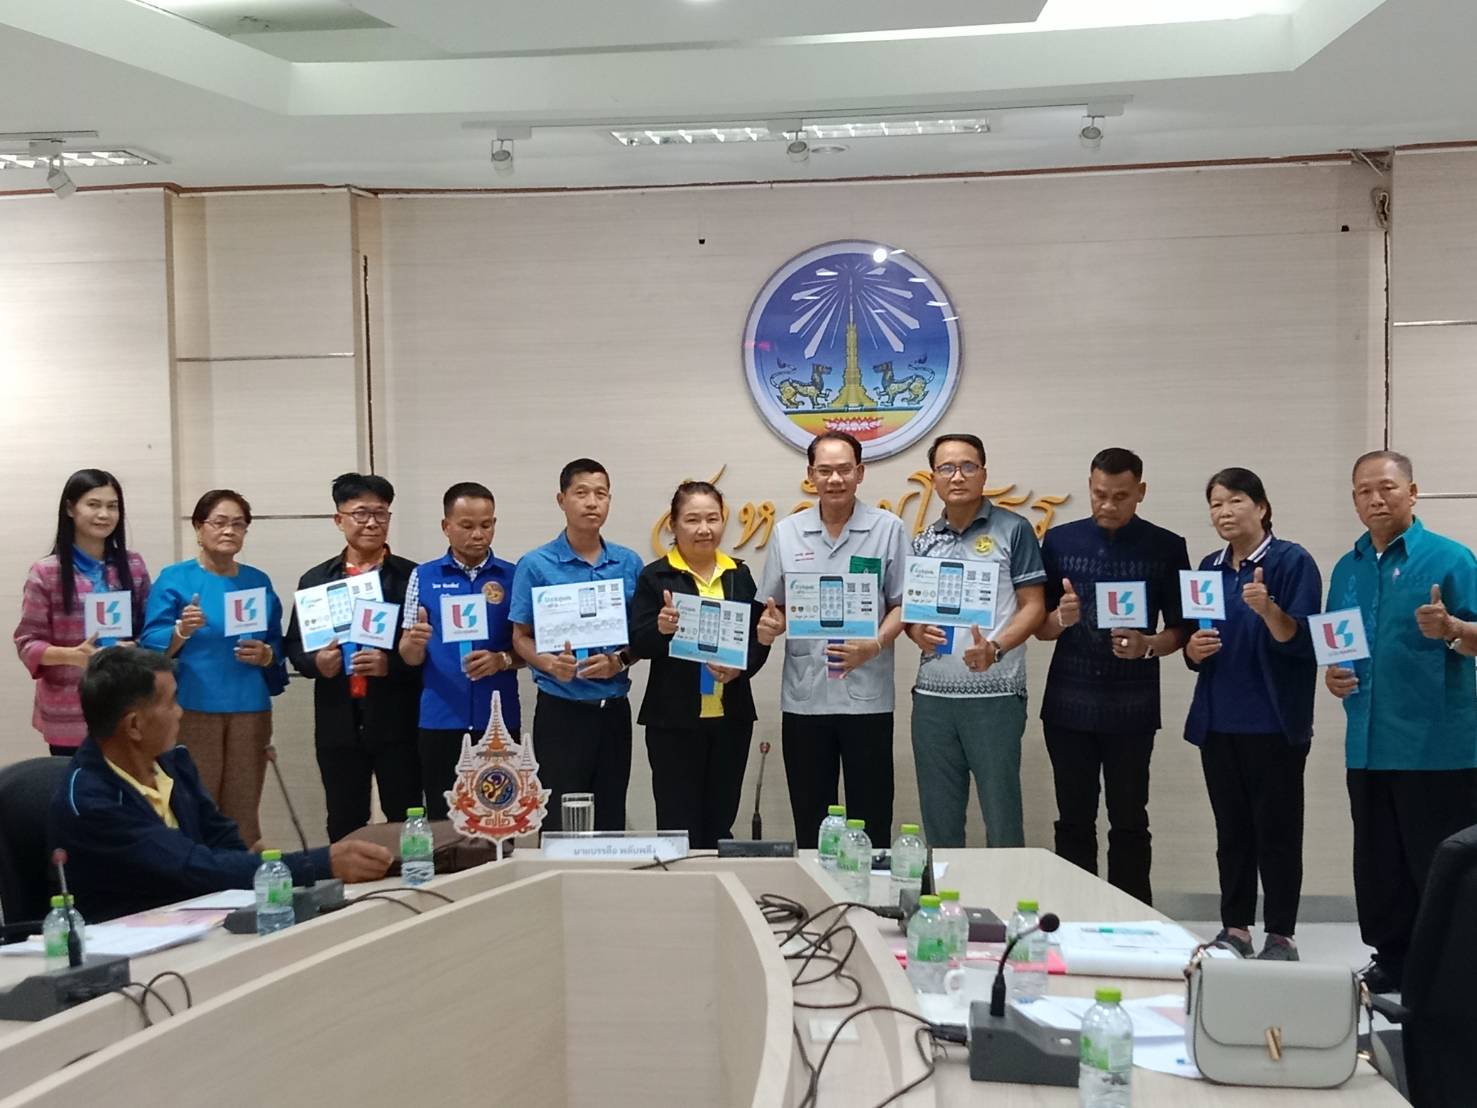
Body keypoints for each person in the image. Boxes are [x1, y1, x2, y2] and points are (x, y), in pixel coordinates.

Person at [50, 648, 391, 921]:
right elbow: (189, 867)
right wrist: (319, 864)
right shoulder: (90, 800)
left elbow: (222, 840)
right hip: (130, 944)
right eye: (171, 702)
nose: (180, 712)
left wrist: (258, 863)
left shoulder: (173, 763)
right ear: (135, 726)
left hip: (196, 920)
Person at [1325, 450, 1477, 992]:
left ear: (1412, 493)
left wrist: (1453, 628)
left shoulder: (1451, 558)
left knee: (1438, 867)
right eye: (1364, 490)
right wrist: (1334, 677)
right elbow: (1337, 649)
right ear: (1354, 500)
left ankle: (1449, 976)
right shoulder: (1346, 568)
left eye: (1387, 488)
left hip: (1437, 746)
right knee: (1379, 866)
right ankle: (1393, 960)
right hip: (1367, 743)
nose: (1376, 499)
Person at [1034, 448, 1190, 904]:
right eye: (1099, 494)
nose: (1108, 505)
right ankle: (1072, 913)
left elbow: (1182, 628)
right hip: (1068, 704)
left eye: (1120, 496)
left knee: (1129, 821)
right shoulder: (1059, 541)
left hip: (1132, 707)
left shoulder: (1167, 546)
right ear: (1089, 486)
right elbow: (1040, 627)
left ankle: (1133, 916)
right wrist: (1060, 618)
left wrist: (1149, 645)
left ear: (1140, 492)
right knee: (1073, 820)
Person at [1183, 468, 1321, 961]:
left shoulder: (1292, 561)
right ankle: (1235, 928)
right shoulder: (1209, 566)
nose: (1224, 512)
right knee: (1232, 832)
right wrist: (1193, 650)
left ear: (1261, 507)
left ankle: (1281, 935)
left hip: (1274, 722)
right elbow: (1196, 642)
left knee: (1277, 833)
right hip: (1219, 720)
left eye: (1235, 500)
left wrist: (1267, 609)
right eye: (1216, 504)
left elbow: (1302, 640)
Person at [756, 431, 907, 849]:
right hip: (805, 698)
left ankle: (869, 889)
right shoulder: (788, 533)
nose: (835, 479)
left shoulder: (888, 529)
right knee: (811, 820)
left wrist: (875, 644)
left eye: (844, 470)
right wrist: (772, 624)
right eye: (825, 470)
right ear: (810, 475)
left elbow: (903, 604)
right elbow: (774, 606)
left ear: (860, 472)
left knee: (871, 818)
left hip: (868, 698)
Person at [903, 433, 1046, 848]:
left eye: (968, 466)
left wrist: (995, 648)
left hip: (994, 696)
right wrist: (917, 632)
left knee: (1001, 817)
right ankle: (944, 892)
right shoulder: (924, 540)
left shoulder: (1014, 530)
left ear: (984, 473)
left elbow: (1034, 606)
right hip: (932, 699)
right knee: (940, 821)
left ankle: (1005, 892)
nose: (958, 476)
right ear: (933, 478)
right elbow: (912, 616)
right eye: (946, 468)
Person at [629, 481, 775, 848]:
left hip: (730, 719)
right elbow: (639, 642)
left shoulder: (738, 574)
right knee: (678, 825)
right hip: (673, 722)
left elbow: (754, 642)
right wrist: (661, 629)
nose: (704, 529)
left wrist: (754, 651)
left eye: (712, 519)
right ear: (673, 524)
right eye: (692, 519)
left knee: (720, 823)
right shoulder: (656, 576)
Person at [139, 489, 285, 848]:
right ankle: (198, 872)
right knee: (195, 803)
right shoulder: (175, 579)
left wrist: (267, 654)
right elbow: (149, 643)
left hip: (250, 706)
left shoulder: (258, 580)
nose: (229, 531)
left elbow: (276, 642)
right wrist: (181, 631)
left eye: (238, 524)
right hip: (192, 705)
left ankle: (241, 871)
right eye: (219, 522)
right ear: (198, 527)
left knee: (243, 808)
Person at [284, 473, 422, 841]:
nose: (372, 523)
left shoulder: (412, 578)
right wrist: (317, 663)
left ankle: (412, 875)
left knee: (407, 816)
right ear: (339, 519)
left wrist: (390, 665)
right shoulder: (316, 580)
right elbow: (295, 645)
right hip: (338, 718)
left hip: (397, 717)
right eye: (361, 513)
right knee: (344, 820)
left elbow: (430, 651)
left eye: (381, 513)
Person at [510, 459, 644, 832]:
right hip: (560, 711)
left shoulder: (628, 562)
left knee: (611, 817)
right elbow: (519, 637)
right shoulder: (536, 564)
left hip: (613, 710)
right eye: (581, 493)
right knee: (560, 821)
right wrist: (548, 664)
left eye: (601, 494)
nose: (592, 502)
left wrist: (619, 660)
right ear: (561, 500)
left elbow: (642, 637)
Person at [398, 482, 522, 821]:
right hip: (440, 718)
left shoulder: (512, 576)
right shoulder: (423, 576)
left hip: (498, 720)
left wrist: (502, 660)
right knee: (445, 821)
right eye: (467, 525)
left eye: (486, 524)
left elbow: (529, 646)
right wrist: (415, 642)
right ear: (446, 526)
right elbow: (409, 655)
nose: (478, 534)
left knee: (499, 819)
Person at [14, 469, 151, 757]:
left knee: (123, 786)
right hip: (68, 712)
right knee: (76, 785)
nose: (104, 514)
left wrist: (134, 648)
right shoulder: (46, 572)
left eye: (112, 506)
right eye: (93, 504)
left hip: (126, 707)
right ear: (70, 508)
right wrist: (73, 655)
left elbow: (149, 630)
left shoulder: (133, 565)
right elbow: (28, 643)